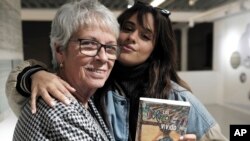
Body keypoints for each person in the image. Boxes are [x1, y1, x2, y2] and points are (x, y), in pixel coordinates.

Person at [6, 1, 227, 141]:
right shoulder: (92, 82)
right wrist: (33, 74)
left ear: (156, 49)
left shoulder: (175, 96)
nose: (131, 37)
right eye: (128, 29)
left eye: (145, 36)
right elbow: (28, 97)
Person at [9, 0, 120, 140]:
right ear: (60, 50)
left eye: (110, 48)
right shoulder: (59, 112)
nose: (103, 58)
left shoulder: (81, 99)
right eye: (89, 44)